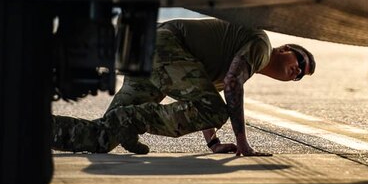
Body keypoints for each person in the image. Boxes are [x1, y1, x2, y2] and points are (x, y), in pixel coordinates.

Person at [52, 17, 315, 156]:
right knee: (216, 110)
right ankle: (131, 119)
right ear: (285, 48)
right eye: (300, 60)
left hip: (149, 46)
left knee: (104, 136)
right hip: (163, 46)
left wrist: (213, 144)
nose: (298, 70)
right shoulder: (261, 46)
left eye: (300, 75)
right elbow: (231, 86)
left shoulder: (239, 61)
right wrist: (243, 143)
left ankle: (34, 129)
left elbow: (202, 91)